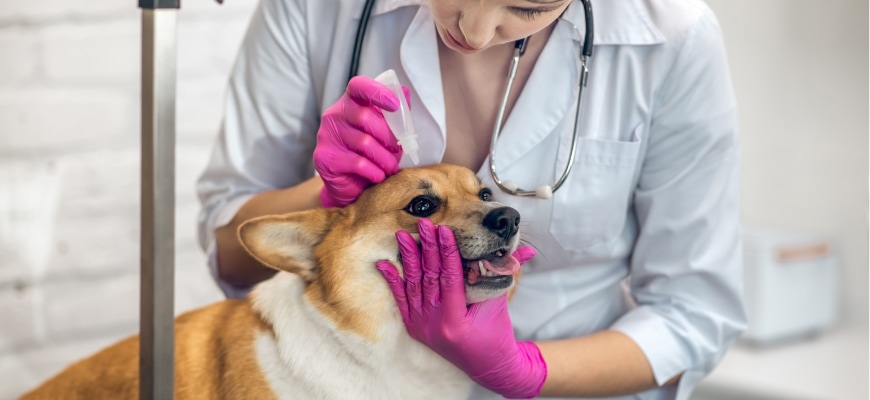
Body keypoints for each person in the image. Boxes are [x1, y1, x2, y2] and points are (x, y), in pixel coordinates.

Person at [196, 0, 747, 398]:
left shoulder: (673, 37)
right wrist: (329, 197)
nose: (476, 31)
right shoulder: (312, 8)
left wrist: (523, 369)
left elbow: (693, 318)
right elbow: (231, 255)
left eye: (529, 6)